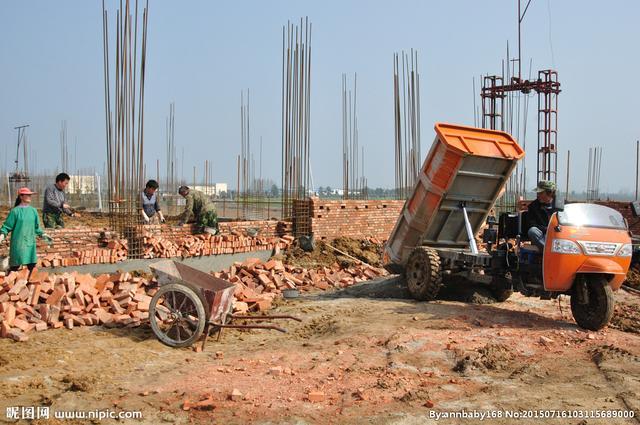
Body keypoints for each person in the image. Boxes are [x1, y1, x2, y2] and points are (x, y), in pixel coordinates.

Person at [0, 188, 52, 273]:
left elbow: (37, 227)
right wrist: (2, 235)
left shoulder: (33, 211)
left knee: (31, 266)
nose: (29, 197)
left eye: (30, 195)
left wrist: (43, 234)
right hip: (18, 243)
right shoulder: (15, 211)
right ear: (21, 196)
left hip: (30, 243)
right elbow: (7, 226)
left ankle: (30, 284)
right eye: (27, 195)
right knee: (15, 267)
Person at [527, 180, 558, 249]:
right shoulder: (533, 206)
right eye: (538, 193)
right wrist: (547, 229)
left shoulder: (560, 205)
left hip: (558, 233)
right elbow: (531, 224)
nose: (538, 195)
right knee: (532, 231)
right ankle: (548, 250)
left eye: (541, 193)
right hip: (543, 234)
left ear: (549, 193)